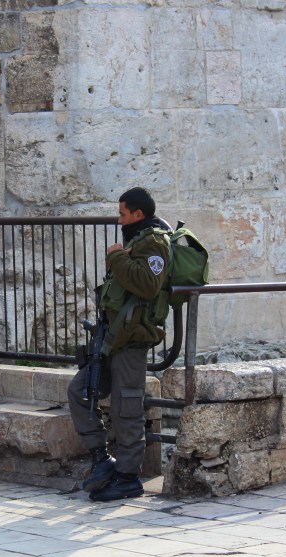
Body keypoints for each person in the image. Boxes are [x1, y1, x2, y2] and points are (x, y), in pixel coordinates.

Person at [68, 187, 170, 502]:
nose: (119, 218)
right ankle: (102, 459)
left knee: (127, 407)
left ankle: (128, 478)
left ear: (138, 214)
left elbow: (148, 284)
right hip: (112, 337)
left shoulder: (154, 243)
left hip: (133, 339)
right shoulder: (136, 241)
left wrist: (114, 257)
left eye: (123, 213)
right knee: (80, 390)